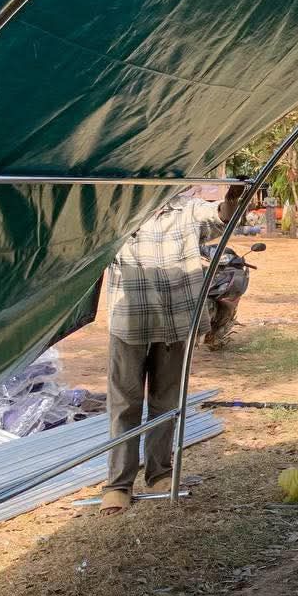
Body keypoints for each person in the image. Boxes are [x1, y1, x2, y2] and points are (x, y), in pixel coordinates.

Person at [101, 185, 244, 514]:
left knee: (166, 401)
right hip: (129, 322)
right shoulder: (117, 210)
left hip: (175, 323)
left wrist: (231, 202)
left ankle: (159, 474)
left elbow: (219, 218)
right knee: (124, 404)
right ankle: (118, 484)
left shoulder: (187, 209)